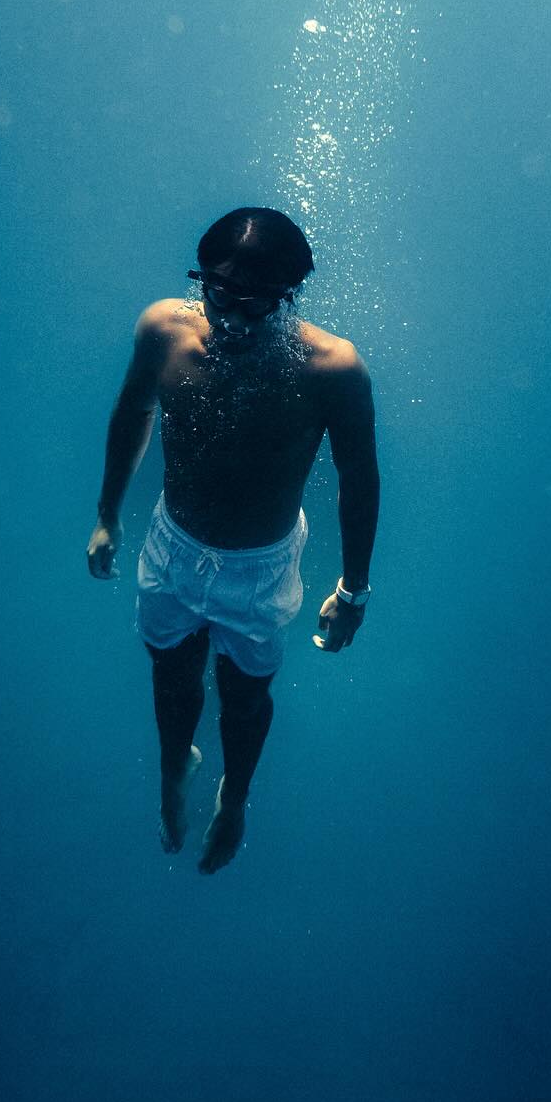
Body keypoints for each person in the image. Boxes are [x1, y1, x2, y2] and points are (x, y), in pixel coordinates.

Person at [87, 207, 380, 873]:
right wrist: (108, 513)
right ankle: (172, 770)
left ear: (288, 297)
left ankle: (236, 794)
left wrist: (353, 590)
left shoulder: (333, 370)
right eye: (220, 297)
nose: (234, 321)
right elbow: (132, 409)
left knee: (244, 696)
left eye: (254, 305)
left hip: (260, 567)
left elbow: (360, 480)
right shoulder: (164, 328)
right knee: (171, 675)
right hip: (174, 546)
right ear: (202, 283)